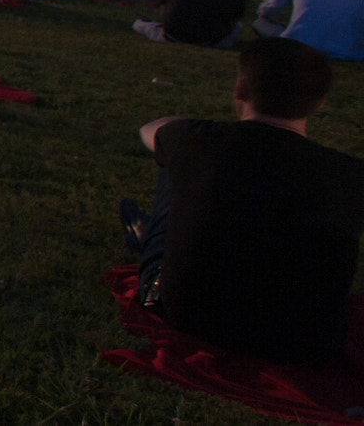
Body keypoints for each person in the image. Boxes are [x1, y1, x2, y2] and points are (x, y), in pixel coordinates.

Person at [121, 37, 364, 364]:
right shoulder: (350, 174)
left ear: (241, 88)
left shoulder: (198, 139)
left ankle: (151, 233)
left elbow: (152, 129)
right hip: (306, 340)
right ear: (320, 102)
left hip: (188, 314)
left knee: (174, 162)